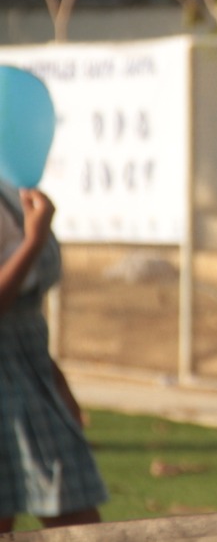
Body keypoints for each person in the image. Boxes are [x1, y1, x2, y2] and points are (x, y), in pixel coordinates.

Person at [0, 184, 107, 531]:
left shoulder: (12, 188)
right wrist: (33, 241)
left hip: (30, 376)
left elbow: (23, 320)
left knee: (75, 515)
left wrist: (56, 383)